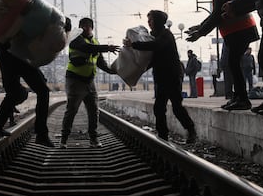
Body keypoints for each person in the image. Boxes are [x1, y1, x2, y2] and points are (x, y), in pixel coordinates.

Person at [187, 0, 259, 110]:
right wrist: (200, 27)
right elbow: (216, 15)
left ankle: (242, 99)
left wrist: (200, 33)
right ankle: (238, 97)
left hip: (239, 31)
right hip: (242, 30)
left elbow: (216, 17)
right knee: (233, 64)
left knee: (233, 63)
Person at [124, 10, 196, 143]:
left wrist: (134, 45)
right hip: (161, 76)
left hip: (172, 75)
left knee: (176, 107)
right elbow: (151, 57)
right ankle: (162, 135)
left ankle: (191, 130)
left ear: (157, 21)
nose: (149, 23)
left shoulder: (166, 35)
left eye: (151, 20)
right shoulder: (154, 36)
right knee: (159, 107)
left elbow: (155, 46)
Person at [60, 17, 120, 149]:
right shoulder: (76, 39)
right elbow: (86, 47)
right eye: (83, 26)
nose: (85, 28)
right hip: (75, 80)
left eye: (88, 26)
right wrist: (107, 47)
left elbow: (101, 63)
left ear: (92, 28)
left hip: (89, 81)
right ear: (80, 27)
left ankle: (93, 139)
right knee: (72, 110)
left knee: (94, 111)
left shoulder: (95, 42)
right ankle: (63, 139)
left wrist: (115, 71)